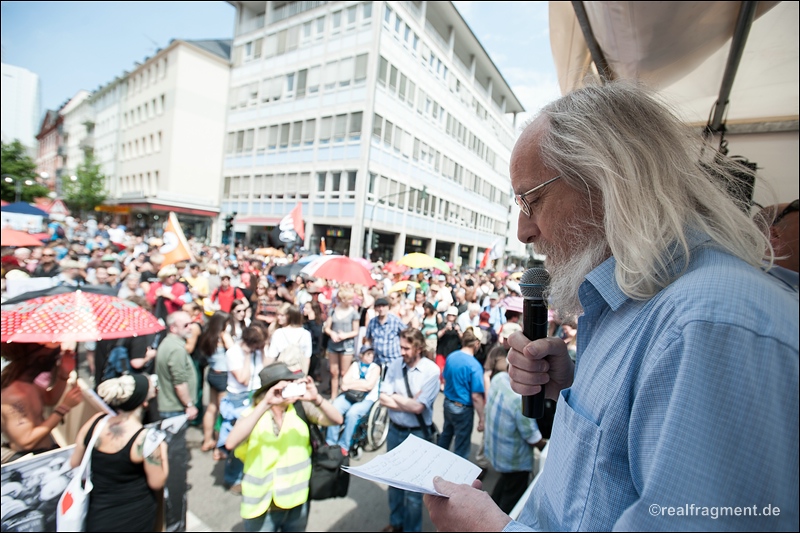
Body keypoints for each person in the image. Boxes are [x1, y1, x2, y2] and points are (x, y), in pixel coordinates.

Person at [423, 82, 799, 530]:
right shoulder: (637, 298)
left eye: (531, 200)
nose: (524, 231)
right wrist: (572, 385)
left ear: (610, 177)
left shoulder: (709, 325)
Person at [225, 362, 343, 532]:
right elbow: (231, 442)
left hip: (297, 500)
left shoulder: (300, 409)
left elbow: (337, 419)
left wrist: (317, 398)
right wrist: (266, 403)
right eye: (286, 386)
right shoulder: (252, 414)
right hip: (262, 505)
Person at [69, 374, 168, 532]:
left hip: (99, 514)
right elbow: (157, 482)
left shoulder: (96, 422)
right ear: (144, 402)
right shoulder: (145, 439)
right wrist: (162, 451)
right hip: (135, 516)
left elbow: (74, 463)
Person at [379, 328, 440, 533]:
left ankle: (411, 529)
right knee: (393, 483)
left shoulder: (431, 371)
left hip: (418, 435)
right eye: (401, 346)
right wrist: (407, 401)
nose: (402, 351)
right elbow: (382, 397)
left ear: (419, 347)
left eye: (406, 347)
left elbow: (418, 408)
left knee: (413, 491)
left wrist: (395, 397)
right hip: (395, 431)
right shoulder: (395, 365)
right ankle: (396, 523)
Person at [1, 343, 83, 463]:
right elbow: (26, 442)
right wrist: (64, 408)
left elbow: (49, 399)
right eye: (51, 351)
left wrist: (64, 374)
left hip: (44, 452)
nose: (56, 356)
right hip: (31, 462)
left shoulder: (28, 384)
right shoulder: (14, 396)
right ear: (33, 355)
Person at [484, 368, 546, 514]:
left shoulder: (498, 378)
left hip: (497, 453)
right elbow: (533, 438)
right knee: (510, 504)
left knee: (504, 485)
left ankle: (489, 511)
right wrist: (548, 446)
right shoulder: (519, 400)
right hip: (516, 462)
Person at [437, 327, 485, 460]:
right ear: (476, 343)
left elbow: (445, 378)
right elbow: (476, 396)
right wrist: (482, 418)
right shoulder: (474, 366)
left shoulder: (452, 356)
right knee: (461, 446)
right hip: (462, 408)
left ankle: (435, 461)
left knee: (446, 434)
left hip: (448, 402)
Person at [326, 345, 381, 454]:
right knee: (335, 407)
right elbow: (344, 383)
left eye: (372, 354)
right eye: (368, 354)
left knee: (353, 413)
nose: (371, 357)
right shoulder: (355, 365)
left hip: (367, 399)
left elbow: (369, 386)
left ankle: (344, 445)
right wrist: (361, 384)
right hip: (350, 396)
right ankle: (330, 442)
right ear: (361, 355)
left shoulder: (375, 368)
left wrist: (352, 384)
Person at [196, 311, 234, 455]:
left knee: (211, 408)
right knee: (223, 412)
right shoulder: (223, 336)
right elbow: (234, 352)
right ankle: (219, 448)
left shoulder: (207, 336)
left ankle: (207, 440)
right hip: (223, 376)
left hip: (212, 373)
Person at [154, 311, 199, 421]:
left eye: (191, 323)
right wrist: (189, 405)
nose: (190, 328)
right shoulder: (176, 349)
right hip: (175, 408)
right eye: (185, 325)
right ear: (173, 328)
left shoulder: (168, 343)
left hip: (170, 406)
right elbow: (179, 383)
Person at [323, 287, 360, 398]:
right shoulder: (333, 310)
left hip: (347, 345)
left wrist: (345, 335)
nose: (351, 301)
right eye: (349, 299)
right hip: (333, 344)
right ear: (343, 299)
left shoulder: (353, 313)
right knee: (334, 372)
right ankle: (333, 396)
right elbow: (327, 328)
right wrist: (332, 333)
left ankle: (343, 395)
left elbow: (356, 331)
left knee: (344, 373)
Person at [364, 297, 408, 367]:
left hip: (393, 359)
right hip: (377, 360)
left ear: (388, 307)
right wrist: (366, 353)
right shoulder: (372, 322)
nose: (381, 309)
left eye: (383, 306)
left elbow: (406, 334)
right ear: (375, 308)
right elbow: (368, 339)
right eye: (379, 306)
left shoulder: (395, 320)